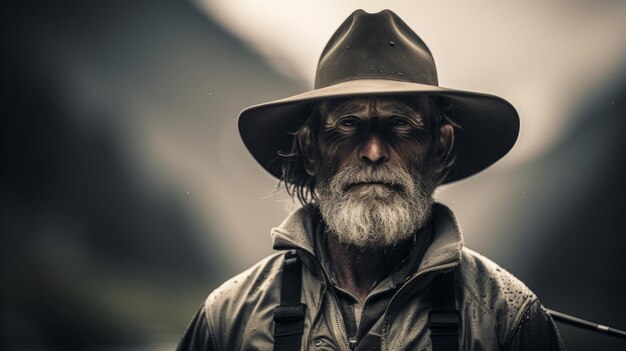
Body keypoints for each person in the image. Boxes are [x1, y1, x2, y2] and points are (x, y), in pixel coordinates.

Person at [177, 9, 566, 351]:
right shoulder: (229, 319)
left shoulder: (508, 320)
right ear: (311, 149)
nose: (374, 151)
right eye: (348, 125)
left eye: (399, 123)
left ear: (440, 148)